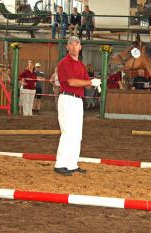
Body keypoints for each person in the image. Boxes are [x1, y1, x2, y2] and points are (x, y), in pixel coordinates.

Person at [54, 36, 101, 176]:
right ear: (67, 47)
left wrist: (94, 82)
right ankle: (60, 164)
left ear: (80, 47)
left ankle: (72, 164)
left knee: (77, 134)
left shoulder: (81, 65)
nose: (74, 47)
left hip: (78, 101)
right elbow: (72, 82)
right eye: (71, 45)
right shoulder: (64, 63)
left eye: (77, 44)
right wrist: (90, 82)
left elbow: (86, 84)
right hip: (67, 99)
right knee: (68, 133)